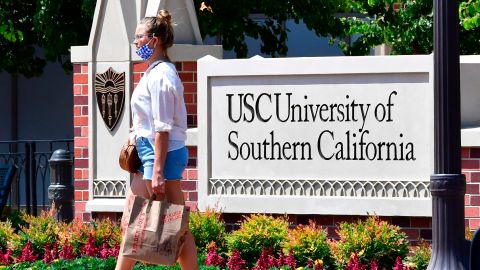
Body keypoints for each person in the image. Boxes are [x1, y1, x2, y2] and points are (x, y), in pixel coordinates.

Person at [115, 9, 198, 270]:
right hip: (150, 154)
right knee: (134, 221)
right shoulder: (153, 71)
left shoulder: (162, 75)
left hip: (161, 155)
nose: (136, 42)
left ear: (155, 40)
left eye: (139, 37)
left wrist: (158, 170)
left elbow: (162, 128)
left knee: (173, 226)